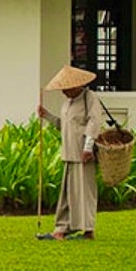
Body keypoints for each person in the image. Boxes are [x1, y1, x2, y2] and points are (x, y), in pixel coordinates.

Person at [36, 65, 103, 241]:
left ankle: (88, 230)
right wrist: (46, 115)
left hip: (83, 154)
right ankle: (62, 229)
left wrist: (88, 147)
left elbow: (94, 122)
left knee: (84, 193)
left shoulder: (90, 98)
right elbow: (63, 125)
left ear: (75, 86)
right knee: (67, 194)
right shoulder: (68, 103)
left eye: (65, 89)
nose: (63, 92)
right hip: (69, 153)